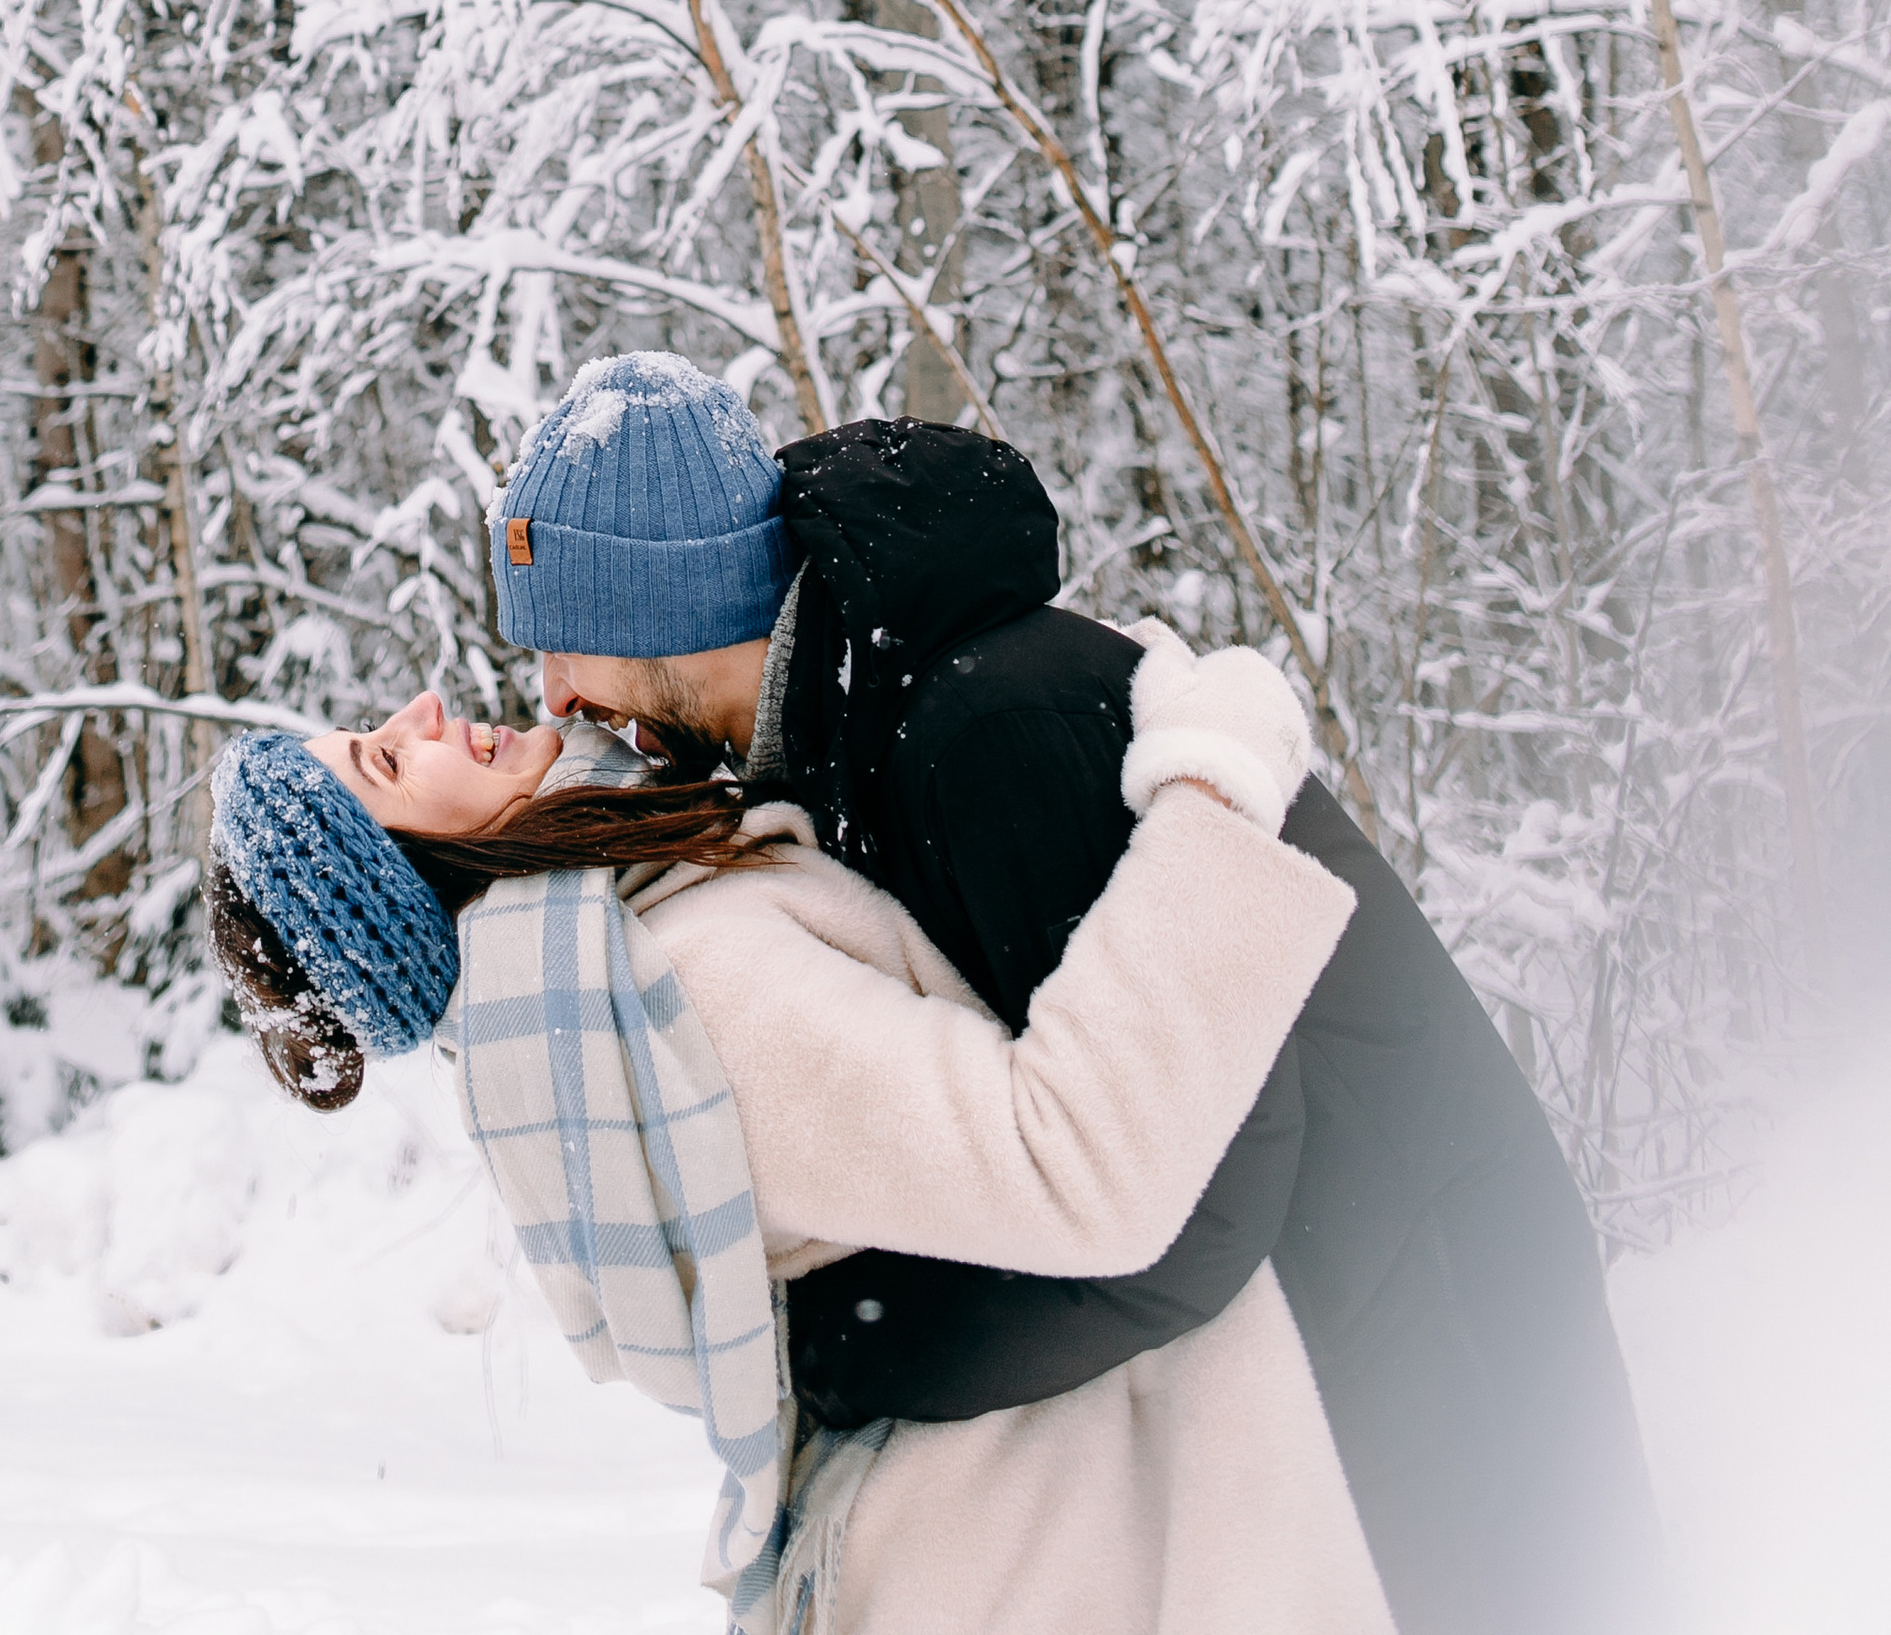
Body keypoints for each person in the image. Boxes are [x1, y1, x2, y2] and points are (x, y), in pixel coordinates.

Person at [493, 356, 1666, 1635]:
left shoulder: (973, 725)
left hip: (1429, 1310)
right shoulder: (864, 735)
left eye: (565, 640)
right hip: (1360, 1286)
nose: (552, 697)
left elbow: (1198, 1188)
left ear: (668, 604)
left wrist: (868, 1353)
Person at [208, 632, 1389, 1633]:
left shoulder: (604, 965)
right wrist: (1212, 786)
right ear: (419, 873)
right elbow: (1071, 1165)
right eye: (384, 760)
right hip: (1039, 1545)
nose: (420, 711)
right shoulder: (686, 991)